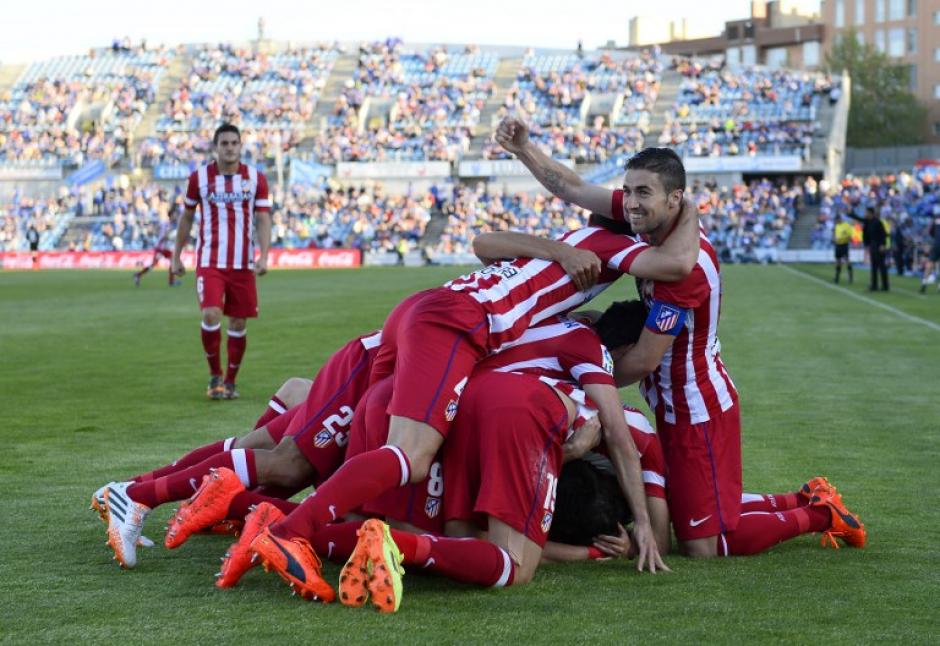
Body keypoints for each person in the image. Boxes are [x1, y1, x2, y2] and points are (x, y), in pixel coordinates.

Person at [486, 116, 865, 559]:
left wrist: (579, 386)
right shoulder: (652, 218)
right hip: (673, 398)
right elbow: (574, 188)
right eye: (627, 191)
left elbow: (643, 360)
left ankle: (820, 514)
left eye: (642, 193)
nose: (631, 203)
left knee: (704, 543)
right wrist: (525, 149)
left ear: (675, 198)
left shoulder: (686, 269)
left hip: (695, 405)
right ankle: (804, 497)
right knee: (694, 510)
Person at [96, 331, 382, 569]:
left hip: (379, 383)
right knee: (289, 466)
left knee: (272, 449)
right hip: (372, 379)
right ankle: (136, 494)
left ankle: (131, 490)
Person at [171, 123, 273, 400]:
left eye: (234, 143)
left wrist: (264, 255)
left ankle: (230, 381)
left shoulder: (256, 179)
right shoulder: (199, 178)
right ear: (216, 147)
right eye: (224, 143)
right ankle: (215, 376)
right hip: (210, 261)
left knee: (238, 323)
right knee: (211, 314)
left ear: (240, 146)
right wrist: (176, 255)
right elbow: (187, 217)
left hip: (243, 264)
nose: (229, 148)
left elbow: (263, 218)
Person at [848, 207, 888, 292]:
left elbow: (884, 234)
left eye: (866, 212)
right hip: (872, 245)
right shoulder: (867, 221)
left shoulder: (877, 222)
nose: (865, 214)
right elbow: (859, 219)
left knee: (881, 266)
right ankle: (874, 285)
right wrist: (851, 214)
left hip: (879, 245)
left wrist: (882, 245)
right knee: (874, 266)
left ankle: (885, 286)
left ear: (871, 213)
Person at [134, 211, 179, 287]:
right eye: (174, 215)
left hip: (165, 248)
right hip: (161, 248)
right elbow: (165, 236)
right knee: (154, 264)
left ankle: (171, 281)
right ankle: (138, 275)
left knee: (172, 262)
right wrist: (171, 237)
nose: (175, 217)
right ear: (170, 216)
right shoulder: (167, 224)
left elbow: (159, 231)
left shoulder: (169, 224)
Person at [920, 210, 940, 294]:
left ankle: (924, 283)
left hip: (936, 244)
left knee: (930, 264)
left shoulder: (936, 219)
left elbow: (930, 232)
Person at [832, 214, 854, 284]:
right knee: (838, 261)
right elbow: (834, 235)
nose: (836, 221)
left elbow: (850, 236)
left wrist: (841, 237)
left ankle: (850, 277)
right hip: (838, 245)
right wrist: (834, 239)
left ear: (840, 219)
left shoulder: (846, 225)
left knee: (847, 260)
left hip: (844, 245)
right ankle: (837, 278)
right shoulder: (836, 226)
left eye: (837, 220)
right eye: (836, 220)